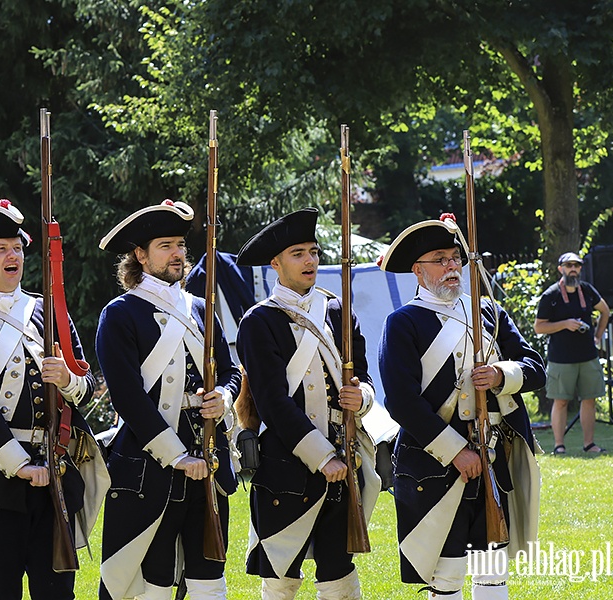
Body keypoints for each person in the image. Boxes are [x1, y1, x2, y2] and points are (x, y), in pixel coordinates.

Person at [0, 199, 108, 600]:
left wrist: (66, 378)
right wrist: (20, 465)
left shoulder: (47, 310)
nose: (13, 256)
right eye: (1, 249)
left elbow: (83, 386)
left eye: (17, 248)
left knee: (58, 593)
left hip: (55, 476)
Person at [378, 214, 545, 600]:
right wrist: (455, 451)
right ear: (418, 271)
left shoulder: (487, 312)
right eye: (440, 259)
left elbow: (535, 367)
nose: (452, 266)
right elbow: (401, 400)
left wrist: (502, 375)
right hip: (434, 465)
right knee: (447, 577)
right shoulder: (403, 323)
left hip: (492, 460)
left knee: (492, 574)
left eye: (455, 257)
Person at [95, 200, 241, 600]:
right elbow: (128, 397)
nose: (178, 253)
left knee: (210, 579)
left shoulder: (199, 308)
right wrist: (176, 455)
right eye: (165, 245)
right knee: (152, 582)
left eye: (179, 244)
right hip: (150, 465)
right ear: (140, 256)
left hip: (208, 457)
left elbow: (231, 372)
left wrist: (223, 399)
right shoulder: (120, 314)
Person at [234, 208, 380, 600]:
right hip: (286, 460)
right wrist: (321, 457)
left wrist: (362, 397)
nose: (310, 260)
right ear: (276, 263)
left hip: (343, 450)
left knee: (339, 569)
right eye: (298, 253)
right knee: (282, 571)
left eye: (313, 251)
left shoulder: (336, 309)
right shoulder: (259, 321)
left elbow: (364, 378)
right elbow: (273, 402)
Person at [534, 251, 611, 454]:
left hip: (588, 356)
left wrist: (598, 335)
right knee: (560, 402)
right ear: (561, 269)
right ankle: (559, 446)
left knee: (589, 399)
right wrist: (565, 324)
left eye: (577, 265)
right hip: (561, 358)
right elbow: (539, 327)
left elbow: (605, 310)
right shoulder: (551, 295)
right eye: (569, 266)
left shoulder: (587, 290)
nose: (573, 269)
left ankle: (589, 444)